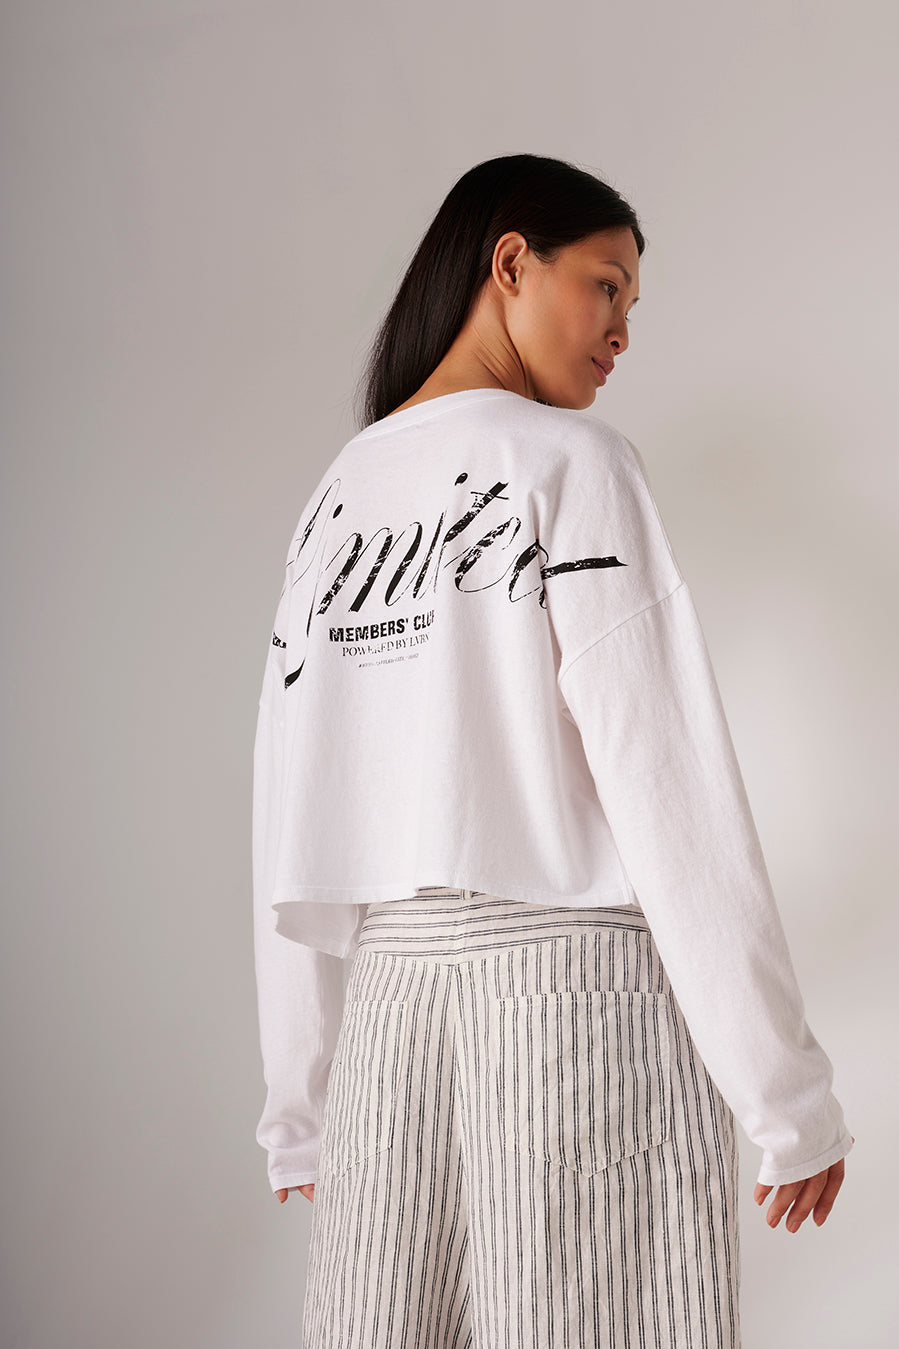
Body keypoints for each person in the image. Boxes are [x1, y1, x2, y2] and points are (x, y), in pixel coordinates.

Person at [252, 153, 853, 1347]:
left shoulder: (337, 497)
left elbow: (290, 811)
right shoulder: (572, 464)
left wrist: (299, 1101)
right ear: (511, 262)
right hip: (571, 1004)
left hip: (388, 1017)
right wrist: (785, 1094)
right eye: (605, 285)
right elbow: (666, 783)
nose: (622, 329)